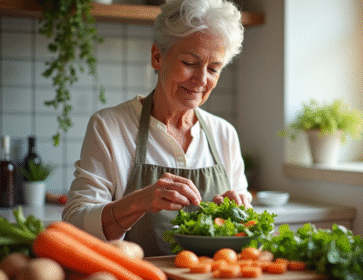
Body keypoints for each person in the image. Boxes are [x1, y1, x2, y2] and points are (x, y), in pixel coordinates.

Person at [62, 0, 251, 257]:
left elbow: (243, 232)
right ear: (157, 57)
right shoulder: (110, 127)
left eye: (214, 68)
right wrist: (138, 202)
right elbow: (74, 226)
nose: (201, 79)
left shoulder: (223, 134)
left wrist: (238, 211)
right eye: (189, 62)